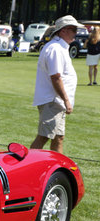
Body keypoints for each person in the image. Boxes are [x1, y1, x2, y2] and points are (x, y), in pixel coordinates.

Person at [31, 15, 84, 154]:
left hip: (56, 101)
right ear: (63, 31)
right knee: (43, 136)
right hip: (52, 100)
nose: (76, 33)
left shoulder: (60, 47)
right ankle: (27, 167)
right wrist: (66, 100)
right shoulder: (55, 48)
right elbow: (56, 77)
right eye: (73, 29)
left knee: (58, 137)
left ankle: (57, 167)